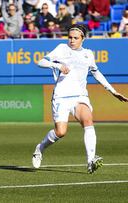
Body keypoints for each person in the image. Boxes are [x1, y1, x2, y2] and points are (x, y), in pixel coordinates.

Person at [31, 24, 128, 174]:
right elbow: (40, 62)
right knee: (60, 132)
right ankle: (40, 148)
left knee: (88, 120)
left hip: (80, 96)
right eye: (70, 37)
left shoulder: (88, 54)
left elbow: (97, 73)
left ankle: (91, 160)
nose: (72, 40)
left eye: (75, 38)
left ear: (83, 38)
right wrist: (56, 66)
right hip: (61, 97)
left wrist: (113, 91)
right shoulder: (62, 49)